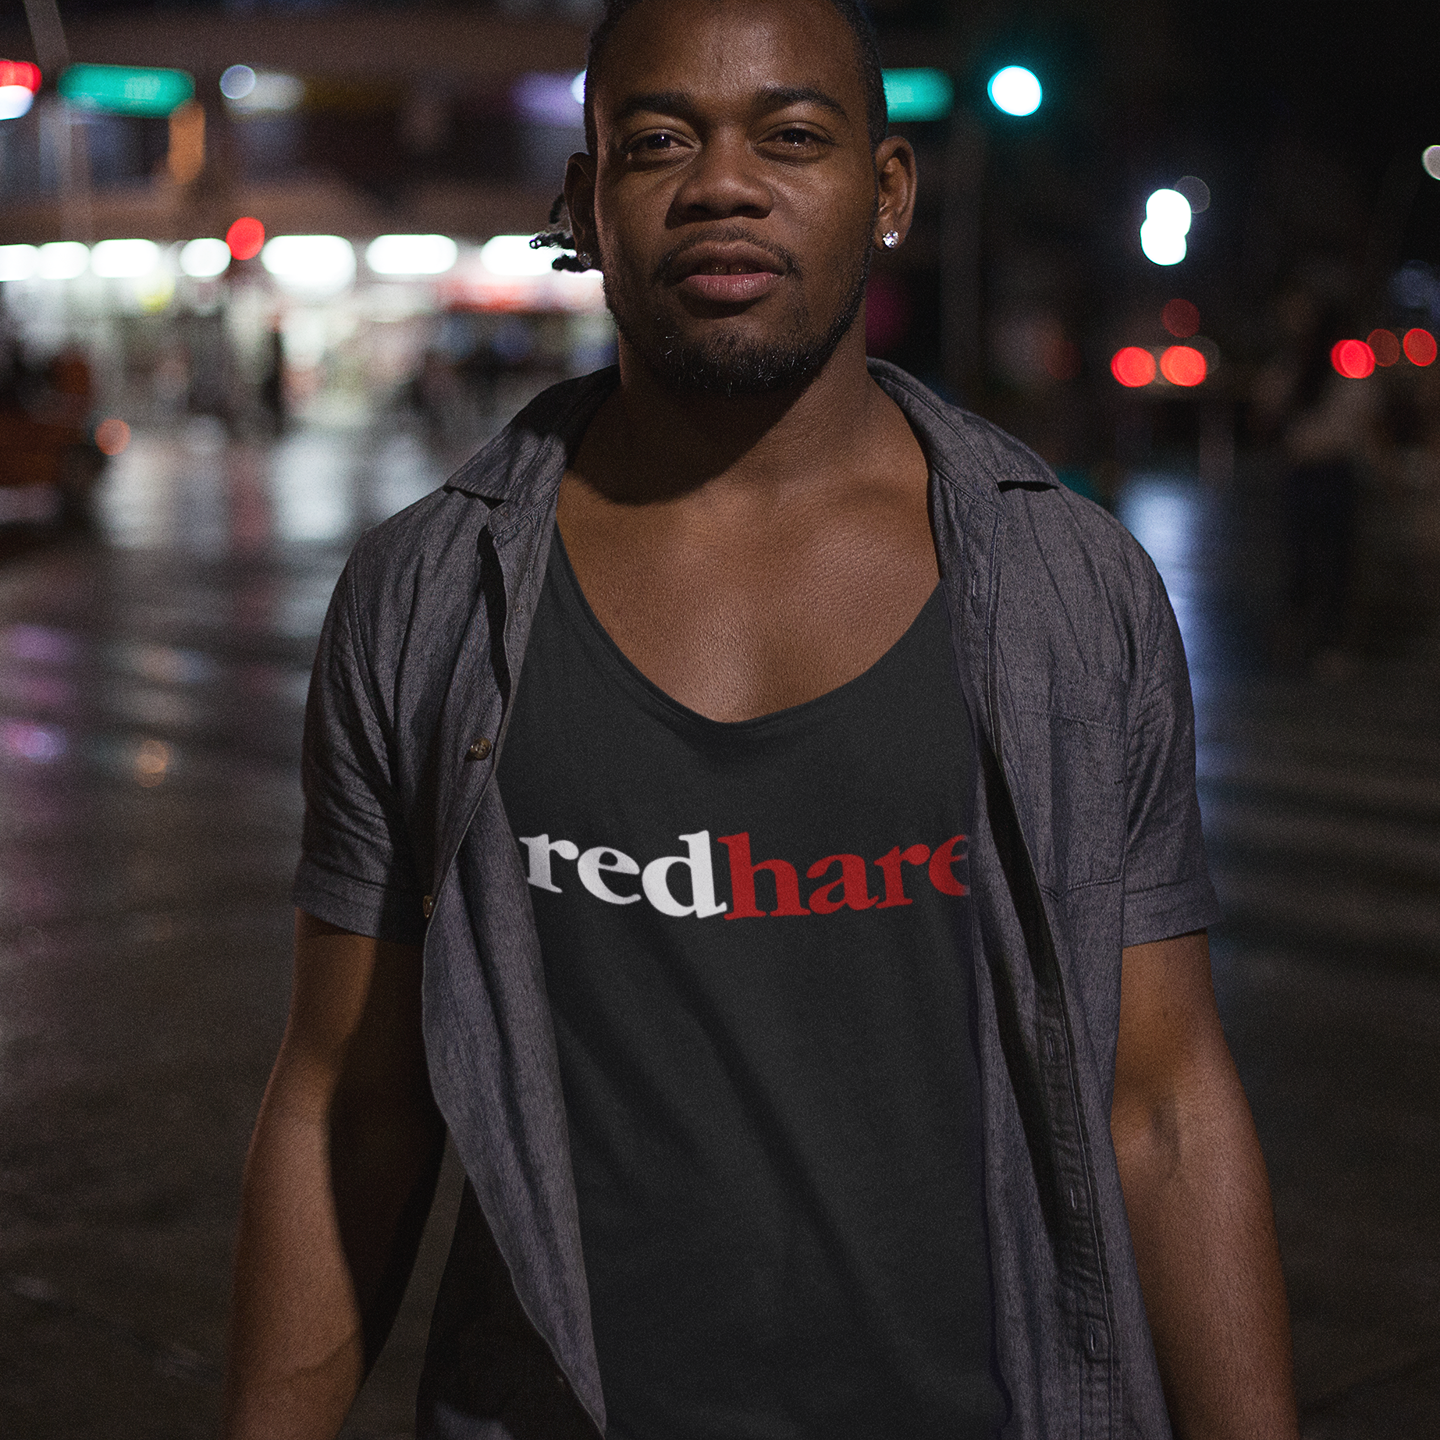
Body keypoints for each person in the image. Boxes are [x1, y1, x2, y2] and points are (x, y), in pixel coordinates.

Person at [222, 1, 1300, 1436]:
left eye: (791, 136)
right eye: (659, 141)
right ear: (585, 202)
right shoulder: (426, 597)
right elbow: (348, 1100)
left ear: (888, 189)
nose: (723, 183)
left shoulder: (1070, 589)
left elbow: (1162, 1104)